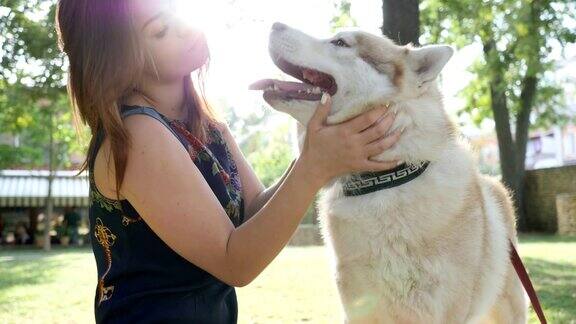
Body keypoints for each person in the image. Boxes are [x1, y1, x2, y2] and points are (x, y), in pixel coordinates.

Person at [55, 0, 402, 323]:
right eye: (161, 31)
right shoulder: (138, 135)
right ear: (120, 59)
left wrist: (316, 152)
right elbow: (234, 262)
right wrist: (315, 166)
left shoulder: (206, 125)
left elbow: (255, 210)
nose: (187, 28)